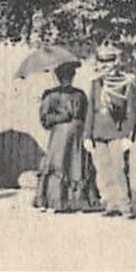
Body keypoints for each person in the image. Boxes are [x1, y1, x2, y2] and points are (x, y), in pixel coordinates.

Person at [86, 43, 136, 219]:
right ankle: (111, 203)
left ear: (116, 62)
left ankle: (125, 206)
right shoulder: (96, 83)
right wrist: (87, 135)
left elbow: (133, 111)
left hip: (118, 132)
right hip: (99, 132)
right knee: (104, 169)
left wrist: (128, 136)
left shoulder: (126, 82)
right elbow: (90, 110)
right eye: (102, 61)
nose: (105, 65)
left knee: (119, 169)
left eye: (109, 61)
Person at [36, 62, 90, 213]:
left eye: (70, 76)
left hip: (77, 138)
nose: (67, 79)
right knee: (58, 166)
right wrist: (62, 116)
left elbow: (87, 115)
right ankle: (54, 201)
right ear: (58, 77)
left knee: (76, 166)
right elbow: (45, 119)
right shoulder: (51, 95)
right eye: (64, 76)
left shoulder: (80, 94)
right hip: (59, 139)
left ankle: (77, 202)